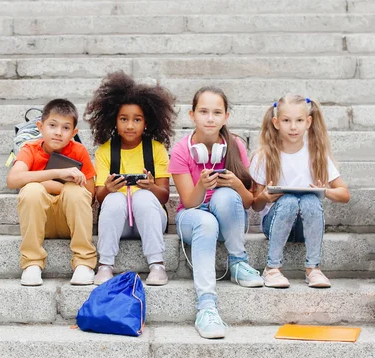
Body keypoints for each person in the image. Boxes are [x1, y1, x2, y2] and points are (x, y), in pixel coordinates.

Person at [169, 87, 262, 339]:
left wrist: (236, 184)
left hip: (227, 215)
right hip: (192, 218)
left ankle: (238, 262)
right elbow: (189, 203)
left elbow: (248, 201)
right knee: (206, 220)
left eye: (216, 112)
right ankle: (206, 307)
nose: (210, 118)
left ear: (226, 117)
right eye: (204, 112)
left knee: (226, 195)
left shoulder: (235, 148)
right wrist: (201, 184)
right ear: (192, 115)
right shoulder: (180, 150)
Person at [84, 71, 175, 286]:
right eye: (124, 119)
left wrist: (151, 187)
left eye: (137, 119)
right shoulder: (105, 151)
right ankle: (105, 265)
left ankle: (157, 265)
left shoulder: (156, 149)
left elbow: (164, 196)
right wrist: (107, 188)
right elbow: (99, 196)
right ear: (114, 120)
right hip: (119, 221)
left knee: (143, 197)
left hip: (150, 218)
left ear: (147, 122)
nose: (130, 125)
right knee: (114, 199)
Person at [250, 95, 350, 289]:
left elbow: (344, 194)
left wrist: (325, 191)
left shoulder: (316, 155)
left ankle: (313, 269)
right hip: (274, 223)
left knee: (310, 201)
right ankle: (272, 268)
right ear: (276, 123)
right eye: (286, 120)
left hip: (305, 226)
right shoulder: (265, 156)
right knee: (288, 201)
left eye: (299, 121)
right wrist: (264, 197)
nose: (293, 127)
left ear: (308, 122)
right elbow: (255, 204)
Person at [7, 99, 97, 286]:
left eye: (65, 128)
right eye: (52, 125)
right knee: (32, 189)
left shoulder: (78, 151)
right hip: (42, 222)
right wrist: (58, 174)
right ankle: (32, 264)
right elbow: (13, 180)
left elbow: (90, 195)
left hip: (68, 221)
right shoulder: (29, 149)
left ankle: (84, 263)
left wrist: (57, 186)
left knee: (76, 191)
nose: (58, 132)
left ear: (74, 133)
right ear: (40, 127)